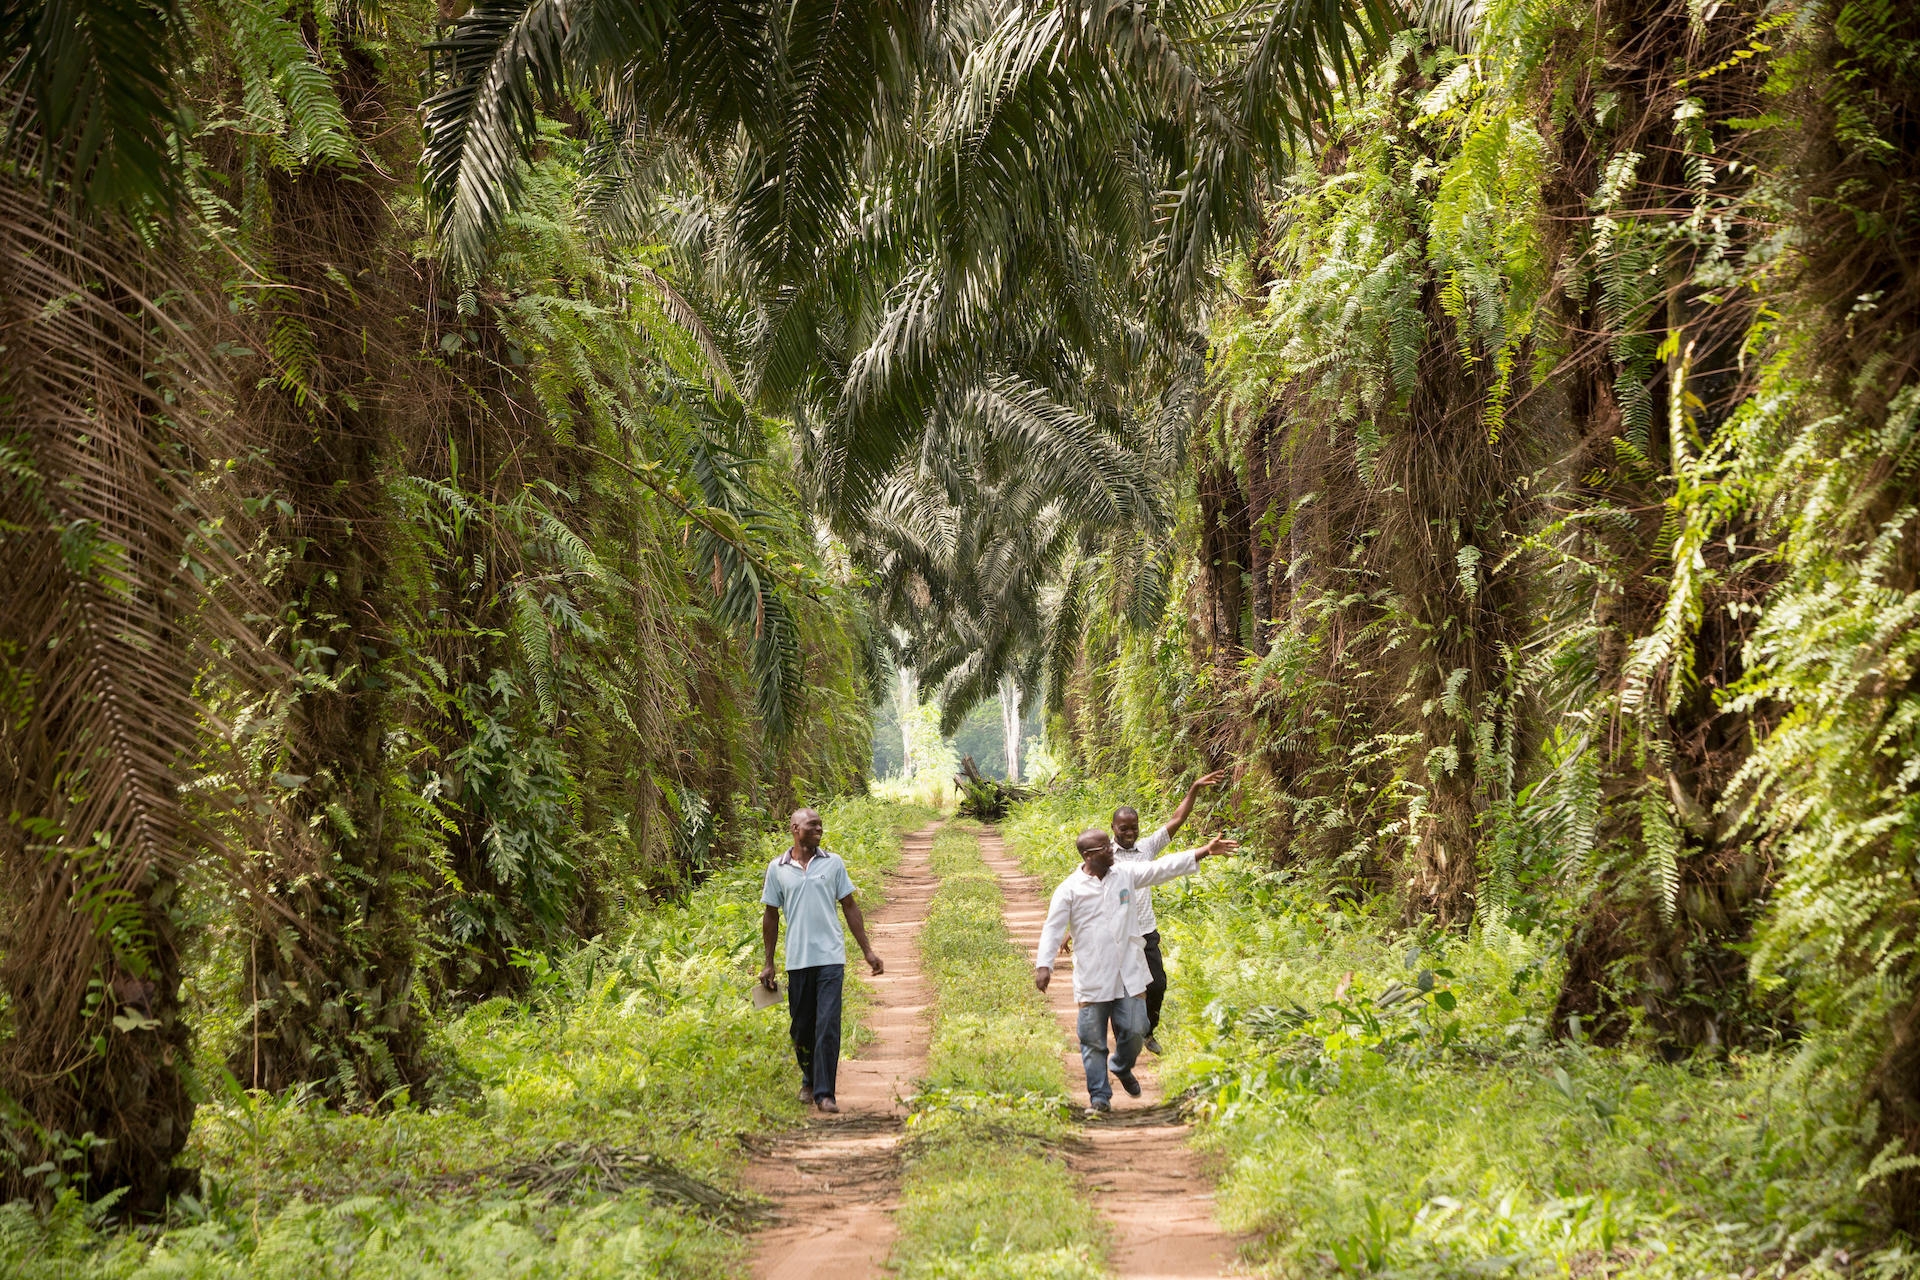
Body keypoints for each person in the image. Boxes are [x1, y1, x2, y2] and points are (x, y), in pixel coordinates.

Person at [1034, 827, 1238, 1113]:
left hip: (1128, 971)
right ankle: (1099, 1097)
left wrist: (1203, 851)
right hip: (1093, 974)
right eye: (1105, 848)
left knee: (1136, 1028)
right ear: (1088, 856)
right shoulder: (1070, 889)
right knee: (1092, 1039)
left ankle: (1120, 1065)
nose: (1112, 850)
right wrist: (1044, 965)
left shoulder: (1126, 874)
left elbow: (1161, 868)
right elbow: (1053, 928)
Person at [760, 808, 883, 1114]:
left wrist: (867, 951)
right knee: (801, 1028)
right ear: (794, 828)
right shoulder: (778, 868)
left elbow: (850, 905)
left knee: (827, 1024)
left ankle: (825, 1093)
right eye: (812, 825)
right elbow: (771, 915)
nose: (818, 830)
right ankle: (809, 1079)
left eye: (820, 826)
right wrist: (768, 962)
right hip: (798, 960)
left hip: (830, 957)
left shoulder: (834, 863)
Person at [1112, 769, 1229, 1055]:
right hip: (1116, 933)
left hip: (1145, 929)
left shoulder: (1147, 848)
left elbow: (1177, 820)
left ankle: (1148, 1032)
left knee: (1157, 984)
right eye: (1123, 828)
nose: (1129, 833)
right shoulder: (1105, 855)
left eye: (1133, 827)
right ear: (1113, 828)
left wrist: (1194, 788)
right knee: (1119, 989)